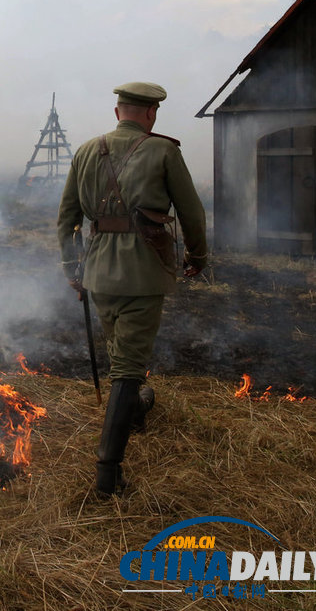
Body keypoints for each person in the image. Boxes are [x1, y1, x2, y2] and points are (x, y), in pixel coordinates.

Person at [57, 82, 208, 496]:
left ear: (117, 111)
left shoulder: (87, 150)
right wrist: (198, 256)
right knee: (126, 366)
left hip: (98, 272)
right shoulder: (164, 151)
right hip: (143, 272)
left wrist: (73, 268)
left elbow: (68, 216)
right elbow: (192, 212)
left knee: (121, 353)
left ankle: (136, 409)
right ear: (150, 114)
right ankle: (108, 474)